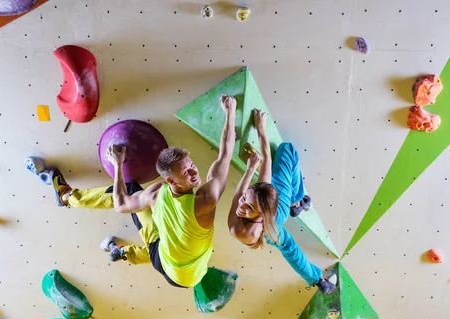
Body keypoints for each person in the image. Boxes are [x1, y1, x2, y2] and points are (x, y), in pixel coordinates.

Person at [47, 95, 238, 289]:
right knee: (162, 237)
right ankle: (118, 249)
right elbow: (225, 155)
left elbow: (121, 203)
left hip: (162, 260)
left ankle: (67, 198)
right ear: (170, 180)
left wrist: (118, 164)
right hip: (185, 273)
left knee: (134, 198)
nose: (194, 172)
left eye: (191, 165)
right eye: (186, 171)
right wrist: (230, 113)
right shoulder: (205, 199)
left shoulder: (156, 194)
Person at [227, 109, 336, 294]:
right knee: (288, 150)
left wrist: (250, 168)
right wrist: (260, 132)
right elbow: (241, 193)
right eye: (246, 201)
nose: (241, 207)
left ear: (262, 213)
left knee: (290, 249)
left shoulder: (244, 220)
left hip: (276, 214)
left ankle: (296, 203)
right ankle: (296, 201)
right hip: (273, 221)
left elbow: (241, 191)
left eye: (249, 206)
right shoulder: (245, 227)